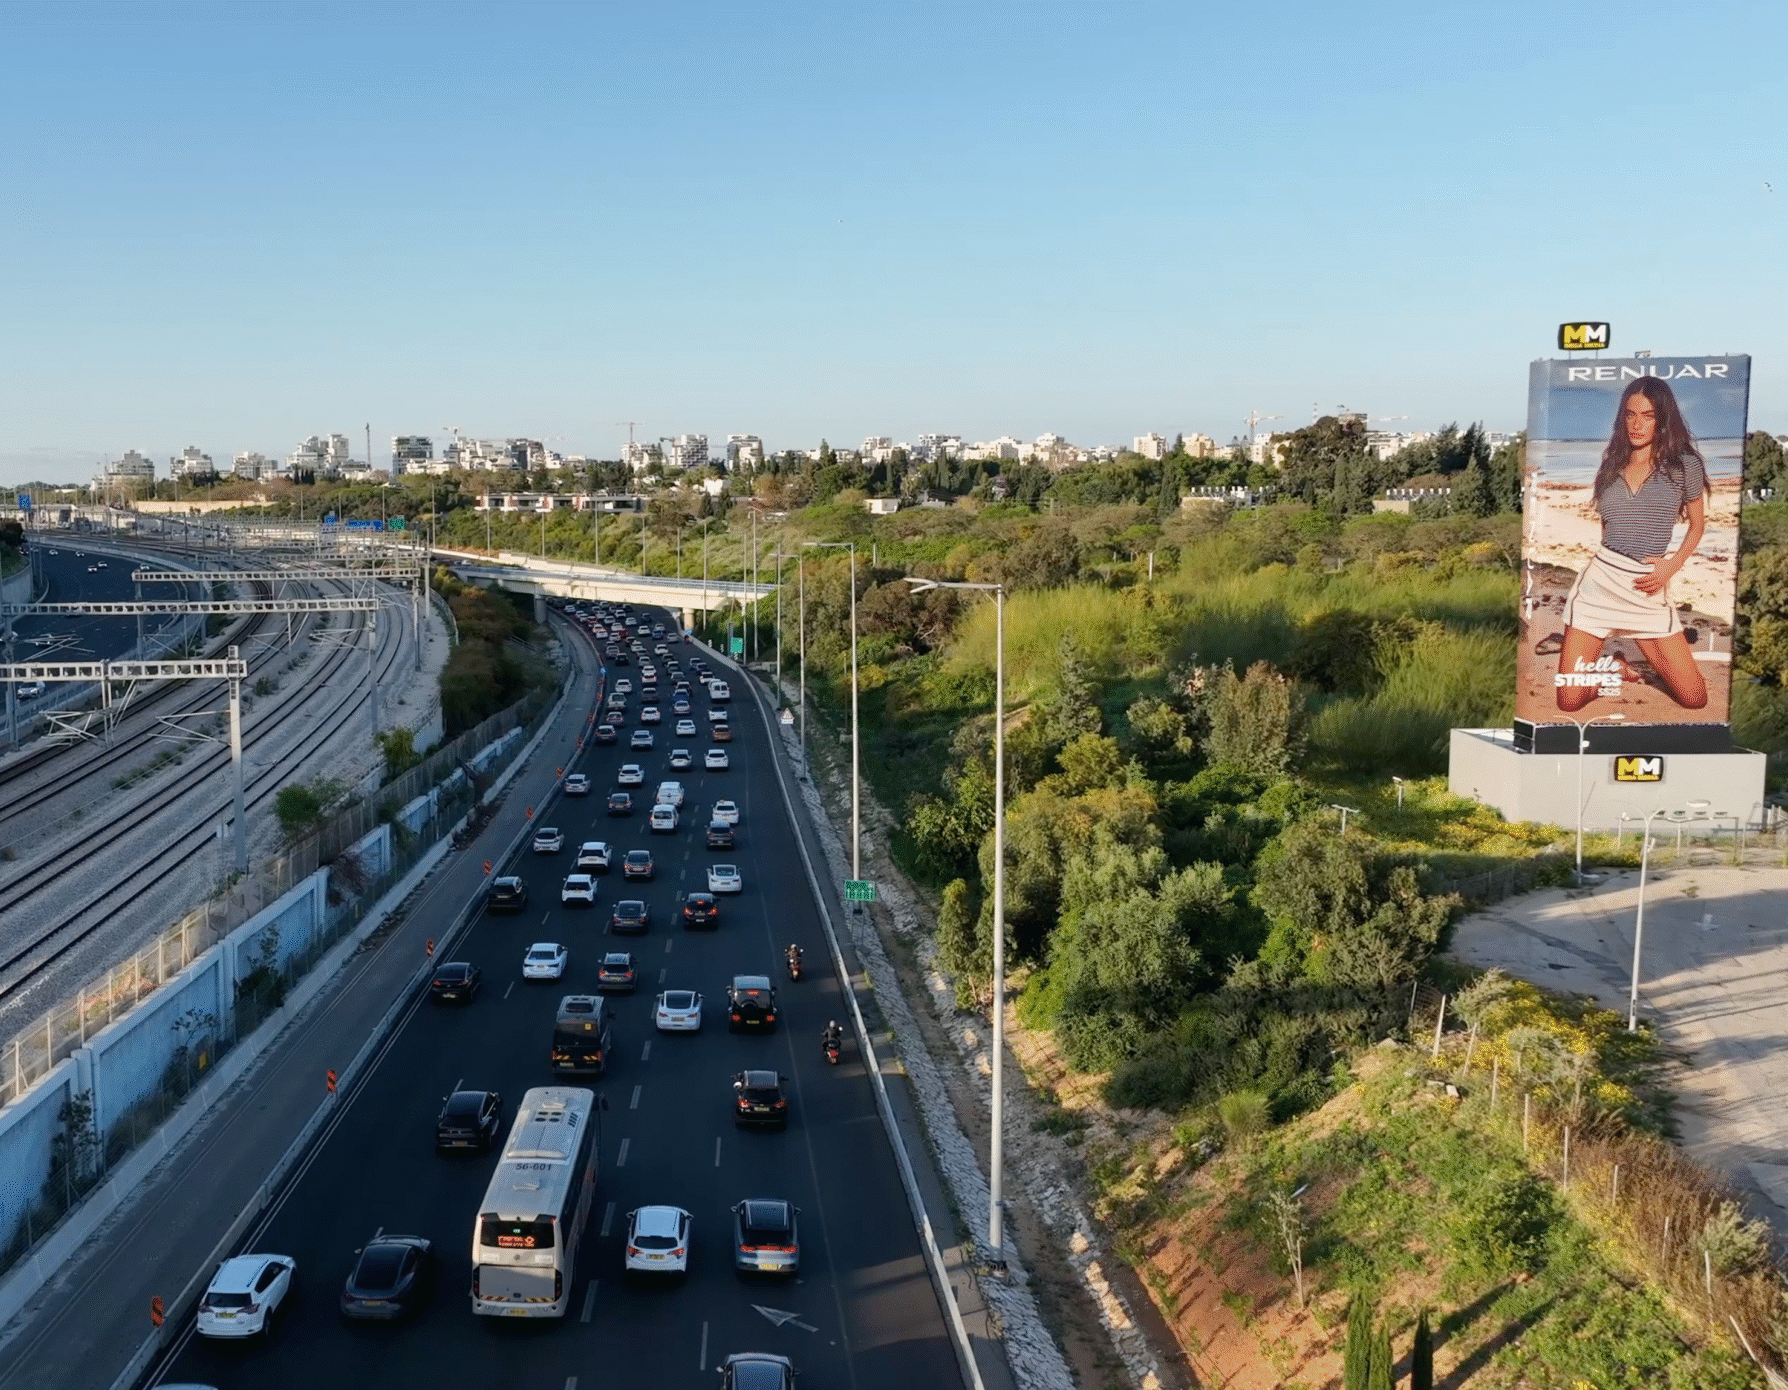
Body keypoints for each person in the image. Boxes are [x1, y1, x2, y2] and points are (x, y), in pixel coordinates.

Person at [1553, 376, 1709, 713]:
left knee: (1695, 699)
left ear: (1663, 419)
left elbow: (1698, 526)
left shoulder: (1685, 465)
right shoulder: (1611, 465)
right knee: (1568, 699)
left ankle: (1632, 654)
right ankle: (1614, 668)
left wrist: (1672, 565)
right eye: (1630, 414)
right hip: (1601, 585)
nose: (1637, 424)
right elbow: (1608, 527)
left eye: (1648, 415)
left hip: (1648, 586)